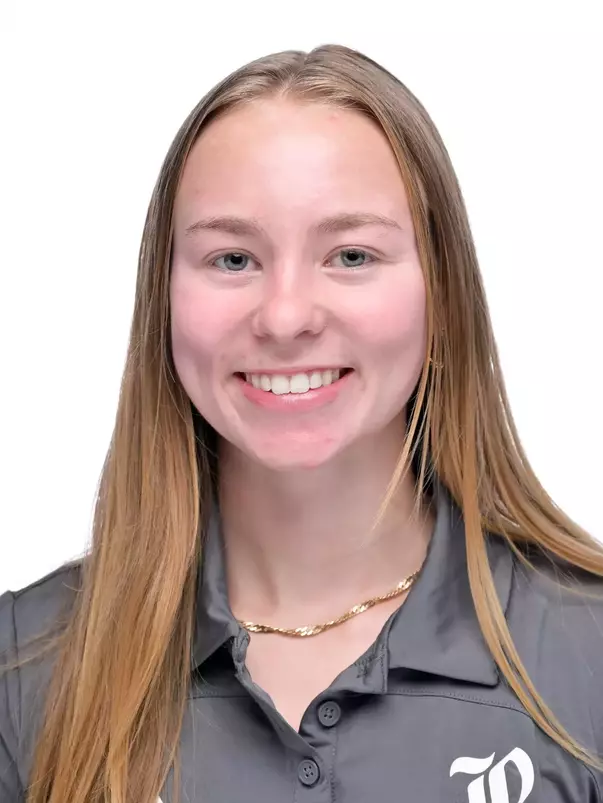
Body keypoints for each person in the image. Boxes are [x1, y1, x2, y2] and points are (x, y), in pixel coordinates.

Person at [0, 43, 602, 803]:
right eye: (232, 259)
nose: (285, 315)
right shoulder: (23, 669)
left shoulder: (588, 655)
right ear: (164, 298)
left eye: (350, 254)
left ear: (441, 295)